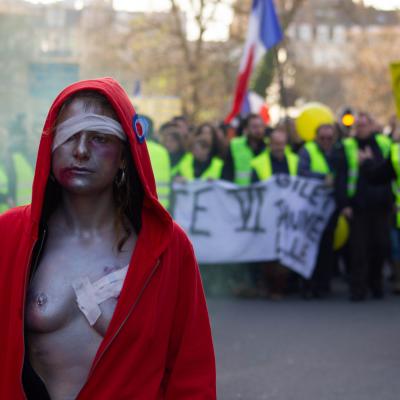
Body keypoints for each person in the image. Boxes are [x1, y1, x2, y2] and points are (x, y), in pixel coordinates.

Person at [0, 78, 216, 399]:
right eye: (69, 136)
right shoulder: (9, 235)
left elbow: (190, 369)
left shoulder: (166, 247)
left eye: (99, 137)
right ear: (50, 146)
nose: (81, 150)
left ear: (125, 155)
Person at [335, 111, 392, 301]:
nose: (361, 128)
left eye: (364, 125)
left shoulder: (384, 143)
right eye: (357, 126)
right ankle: (358, 289)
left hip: (382, 205)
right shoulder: (347, 146)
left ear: (371, 125)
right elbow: (341, 178)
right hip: (358, 206)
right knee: (359, 251)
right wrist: (344, 203)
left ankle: (376, 284)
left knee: (381, 247)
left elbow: (388, 173)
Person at [251, 128, 299, 300]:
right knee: (270, 252)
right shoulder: (257, 163)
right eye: (276, 144)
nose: (279, 147)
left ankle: (284, 285)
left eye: (282, 144)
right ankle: (272, 287)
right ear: (269, 144)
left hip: (289, 214)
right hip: (268, 214)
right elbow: (254, 188)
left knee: (287, 250)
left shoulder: (295, 160)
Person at [298, 124, 338, 298]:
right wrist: (323, 178)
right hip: (311, 208)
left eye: (330, 138)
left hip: (330, 207)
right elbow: (302, 172)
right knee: (310, 246)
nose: (326, 142)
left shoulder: (338, 151)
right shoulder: (307, 150)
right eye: (323, 138)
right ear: (316, 137)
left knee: (327, 247)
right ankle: (309, 284)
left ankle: (324, 283)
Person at [222, 113, 267, 185]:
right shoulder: (235, 145)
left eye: (261, 126)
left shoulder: (269, 147)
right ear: (246, 129)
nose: (258, 130)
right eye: (254, 127)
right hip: (240, 193)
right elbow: (226, 174)